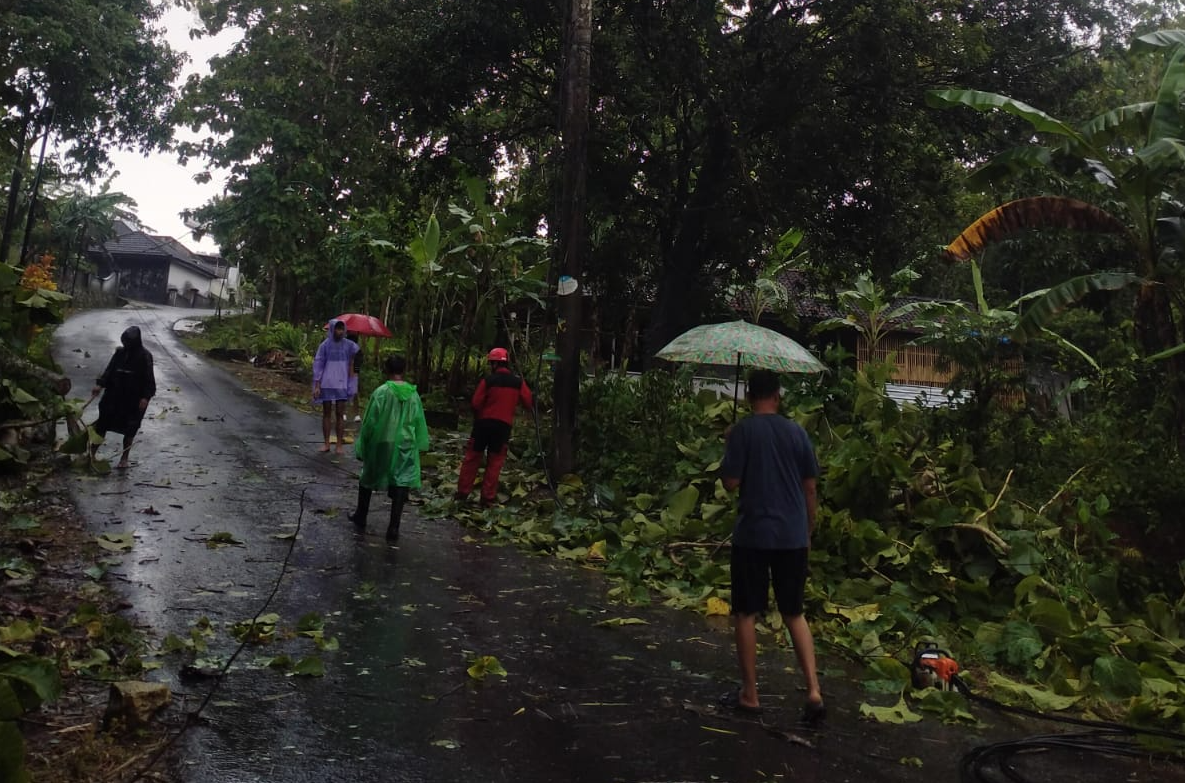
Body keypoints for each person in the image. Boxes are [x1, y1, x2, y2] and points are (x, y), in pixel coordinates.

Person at [718, 368, 824, 723]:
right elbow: (810, 488)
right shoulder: (797, 432)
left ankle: (750, 693)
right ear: (778, 396)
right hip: (792, 536)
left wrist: (730, 442)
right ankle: (813, 690)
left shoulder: (743, 431)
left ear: (749, 397)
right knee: (794, 612)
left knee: (746, 612)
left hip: (753, 535)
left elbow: (731, 482)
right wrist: (807, 530)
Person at [348, 355, 429, 541]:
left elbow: (370, 422)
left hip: (383, 441)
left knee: (369, 475)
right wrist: (419, 443)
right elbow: (419, 421)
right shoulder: (413, 394)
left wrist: (363, 446)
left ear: (386, 370)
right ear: (404, 370)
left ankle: (361, 515)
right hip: (406, 444)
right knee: (401, 481)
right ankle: (394, 527)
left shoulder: (382, 392)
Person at [455, 347, 534, 507]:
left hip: (483, 424)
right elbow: (528, 402)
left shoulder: (488, 381)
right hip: (503, 427)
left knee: (472, 458)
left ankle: (463, 493)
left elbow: (476, 403)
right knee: (495, 462)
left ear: (494, 364)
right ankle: (487, 498)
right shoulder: (518, 382)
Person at [89, 325, 156, 470]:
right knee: (102, 424)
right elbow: (109, 370)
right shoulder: (120, 353)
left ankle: (124, 458)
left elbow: (149, 380)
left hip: (133, 399)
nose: (126, 345)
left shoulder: (145, 356)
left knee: (130, 428)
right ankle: (91, 454)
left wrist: (145, 398)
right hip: (114, 395)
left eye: (128, 342)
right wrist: (100, 385)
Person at [312, 319, 360, 454]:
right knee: (326, 413)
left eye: (342, 329)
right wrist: (317, 384)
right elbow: (318, 364)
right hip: (327, 382)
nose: (340, 332)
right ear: (332, 330)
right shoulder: (325, 346)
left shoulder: (349, 345)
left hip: (342, 382)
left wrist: (353, 378)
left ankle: (339, 444)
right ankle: (326, 443)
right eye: (337, 329)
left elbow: (356, 359)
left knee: (340, 413)